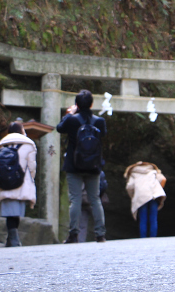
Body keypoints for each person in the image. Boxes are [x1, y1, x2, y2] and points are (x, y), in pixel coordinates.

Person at [56, 89, 107, 243]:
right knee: (95, 199)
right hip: (94, 165)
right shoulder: (99, 121)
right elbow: (103, 135)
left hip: (74, 165)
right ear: (91, 104)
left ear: (76, 104)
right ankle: (100, 234)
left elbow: (59, 128)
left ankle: (73, 234)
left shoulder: (71, 120)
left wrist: (69, 114)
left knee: (75, 199)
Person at [0, 120, 37, 247]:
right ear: (22, 131)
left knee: (10, 212)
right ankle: (13, 239)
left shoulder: (3, 143)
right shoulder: (29, 144)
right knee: (16, 211)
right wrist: (31, 180)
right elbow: (32, 166)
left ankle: (11, 238)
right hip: (20, 181)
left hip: (4, 180)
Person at [124, 161, 166, 238]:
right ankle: (153, 237)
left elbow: (129, 187)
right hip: (153, 195)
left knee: (143, 219)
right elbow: (163, 179)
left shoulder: (134, 173)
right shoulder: (153, 171)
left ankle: (143, 238)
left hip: (141, 197)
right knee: (153, 219)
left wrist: (133, 196)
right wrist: (159, 190)